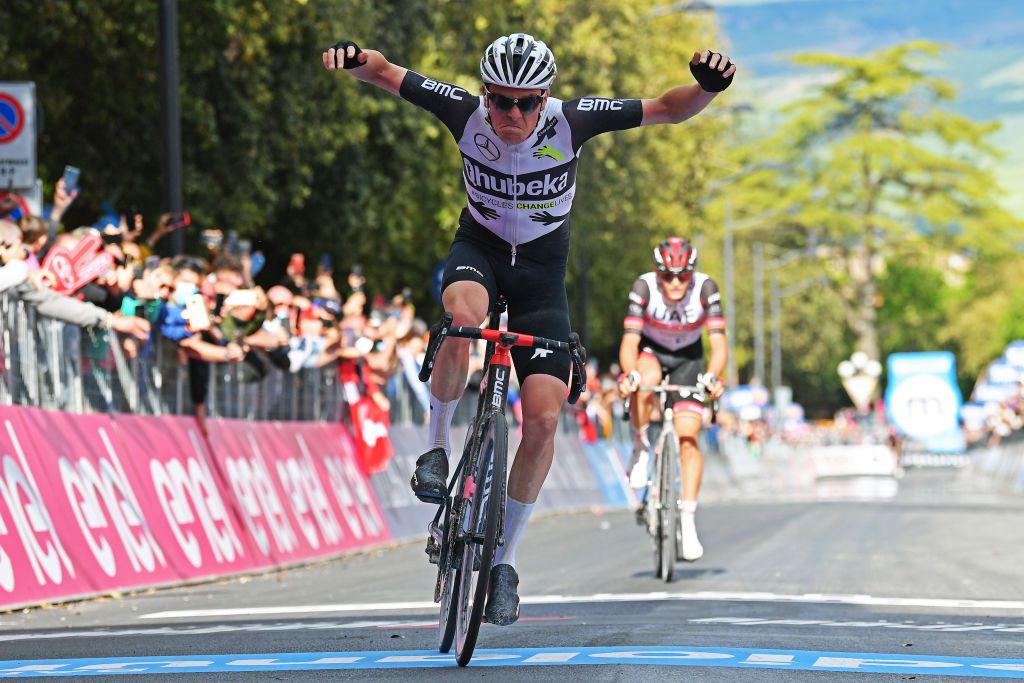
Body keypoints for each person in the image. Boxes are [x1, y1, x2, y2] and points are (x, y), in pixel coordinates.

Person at [324, 33, 736, 625]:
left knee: (544, 417)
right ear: (485, 96)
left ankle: (505, 562)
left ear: (545, 99)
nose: (511, 115)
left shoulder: (573, 121)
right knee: (462, 323)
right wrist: (353, 59)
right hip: (480, 253)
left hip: (542, 278)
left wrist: (707, 87)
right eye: (500, 101)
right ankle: (437, 451)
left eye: (526, 102)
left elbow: (667, 109)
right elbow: (387, 73)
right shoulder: (464, 113)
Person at [617, 237, 727, 561]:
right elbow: (629, 342)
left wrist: (713, 376)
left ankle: (688, 521)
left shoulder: (706, 288)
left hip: (689, 358)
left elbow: (719, 344)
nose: (676, 283)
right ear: (657, 273)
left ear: (692, 273)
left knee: (688, 436)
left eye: (683, 276)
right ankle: (640, 445)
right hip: (652, 352)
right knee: (645, 380)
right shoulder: (644, 287)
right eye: (668, 276)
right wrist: (629, 374)